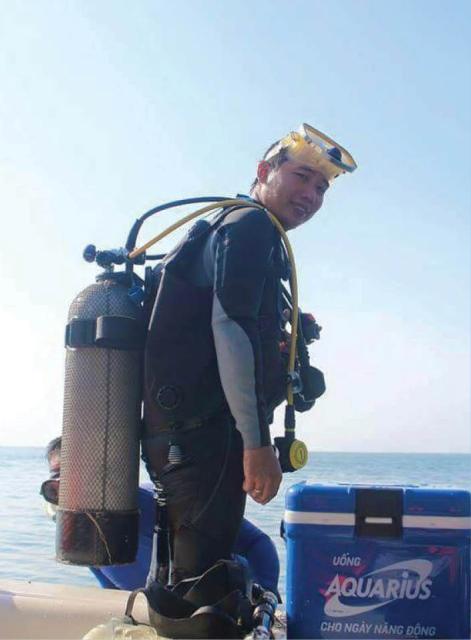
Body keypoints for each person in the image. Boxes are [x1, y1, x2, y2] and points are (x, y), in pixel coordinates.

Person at [142, 123, 357, 598]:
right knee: (198, 591)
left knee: (184, 578)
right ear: (263, 171)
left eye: (321, 188)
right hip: (205, 436)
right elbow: (231, 327)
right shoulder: (251, 225)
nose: (311, 195)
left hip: (185, 436)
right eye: (302, 177)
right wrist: (256, 444)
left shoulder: (230, 227)